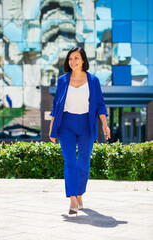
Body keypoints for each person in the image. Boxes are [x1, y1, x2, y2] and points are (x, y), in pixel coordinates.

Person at [49, 47, 110, 215]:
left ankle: (80, 193)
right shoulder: (62, 80)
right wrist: (52, 129)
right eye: (70, 59)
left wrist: (104, 124)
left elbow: (99, 104)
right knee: (70, 162)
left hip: (86, 124)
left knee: (83, 162)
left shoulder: (93, 80)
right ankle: (73, 200)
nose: (72, 61)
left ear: (83, 60)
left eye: (76, 58)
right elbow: (56, 106)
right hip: (66, 124)